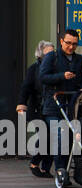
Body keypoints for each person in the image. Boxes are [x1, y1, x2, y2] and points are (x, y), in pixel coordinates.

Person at [39, 30, 82, 181]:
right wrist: (62, 76)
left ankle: (67, 170)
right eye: (68, 43)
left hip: (72, 105)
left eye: (74, 44)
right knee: (60, 137)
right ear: (61, 41)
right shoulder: (52, 57)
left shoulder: (79, 59)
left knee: (70, 138)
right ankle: (61, 171)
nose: (71, 47)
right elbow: (43, 77)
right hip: (53, 105)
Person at [17, 40, 54, 177]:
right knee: (46, 136)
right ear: (40, 54)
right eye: (48, 52)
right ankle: (35, 162)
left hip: (51, 108)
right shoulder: (34, 69)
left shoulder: (55, 68)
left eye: (53, 51)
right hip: (37, 109)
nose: (52, 55)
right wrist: (21, 106)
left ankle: (46, 168)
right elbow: (25, 88)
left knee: (54, 137)